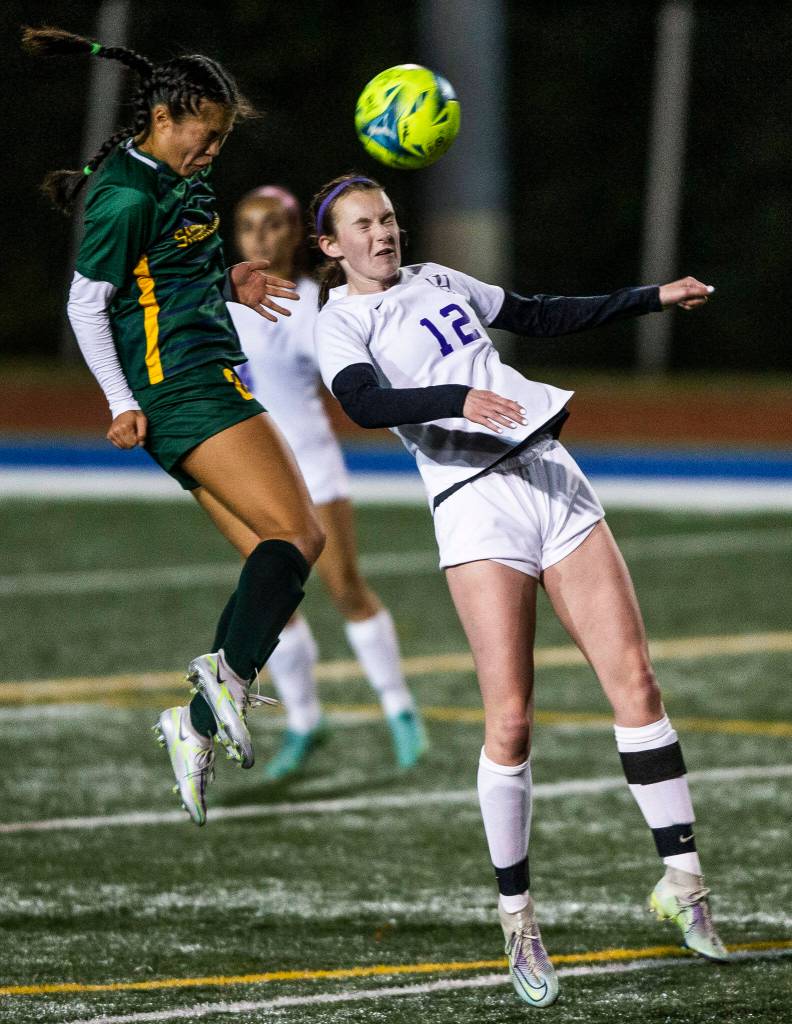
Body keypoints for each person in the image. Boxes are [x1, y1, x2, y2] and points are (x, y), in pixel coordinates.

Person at [309, 173, 728, 1008]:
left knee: (637, 684)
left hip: (550, 473)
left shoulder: (440, 281)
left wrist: (652, 296)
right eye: (362, 225)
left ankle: (682, 882)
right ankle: (518, 918)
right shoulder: (342, 322)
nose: (383, 233)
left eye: (387, 217)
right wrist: (459, 395)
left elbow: (536, 313)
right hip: (473, 506)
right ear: (330, 247)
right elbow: (362, 404)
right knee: (510, 720)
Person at [23, 27, 325, 828]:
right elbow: (88, 308)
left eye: (224, 137)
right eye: (208, 132)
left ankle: (191, 723)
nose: (216, 149)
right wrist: (121, 402)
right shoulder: (124, 195)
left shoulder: (181, 180)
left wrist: (232, 278)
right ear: (165, 114)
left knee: (273, 556)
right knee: (299, 536)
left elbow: (174, 270)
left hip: (197, 377)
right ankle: (219, 686)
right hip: (180, 388)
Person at [228, 185, 426, 779]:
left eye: (274, 225)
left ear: (297, 234)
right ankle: (305, 720)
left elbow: (358, 376)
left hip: (313, 465)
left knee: (344, 588)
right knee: (274, 604)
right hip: (248, 472)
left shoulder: (320, 303)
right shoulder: (223, 302)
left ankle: (400, 709)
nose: (260, 237)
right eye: (248, 226)